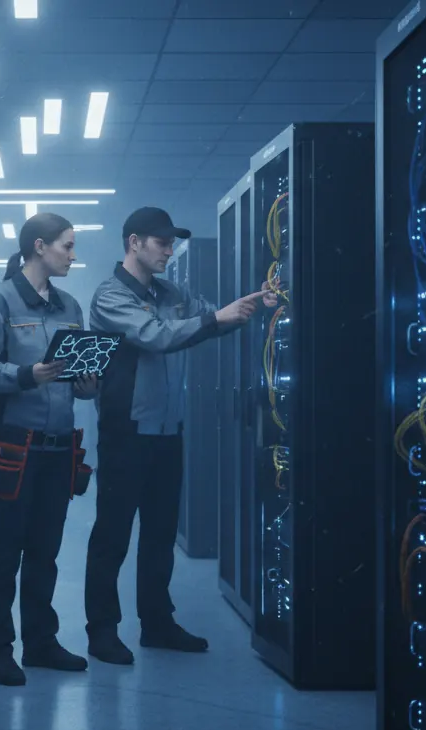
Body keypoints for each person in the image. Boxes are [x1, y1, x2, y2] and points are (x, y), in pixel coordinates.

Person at [83, 206, 278, 665]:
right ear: (134, 242)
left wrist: (250, 305)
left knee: (159, 533)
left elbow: (209, 320)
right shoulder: (111, 297)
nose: (170, 250)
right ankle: (102, 630)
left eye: (172, 242)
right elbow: (156, 336)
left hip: (168, 432)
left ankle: (157, 623)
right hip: (127, 432)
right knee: (112, 535)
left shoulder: (171, 291)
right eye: (162, 242)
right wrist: (215, 319)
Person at [0, 212, 100, 686]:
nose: (73, 256)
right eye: (67, 246)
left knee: (45, 552)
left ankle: (41, 643)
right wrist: (25, 375)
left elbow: (80, 389)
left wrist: (87, 381)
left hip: (59, 451)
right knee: (4, 552)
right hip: (13, 450)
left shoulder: (70, 307)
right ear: (39, 247)